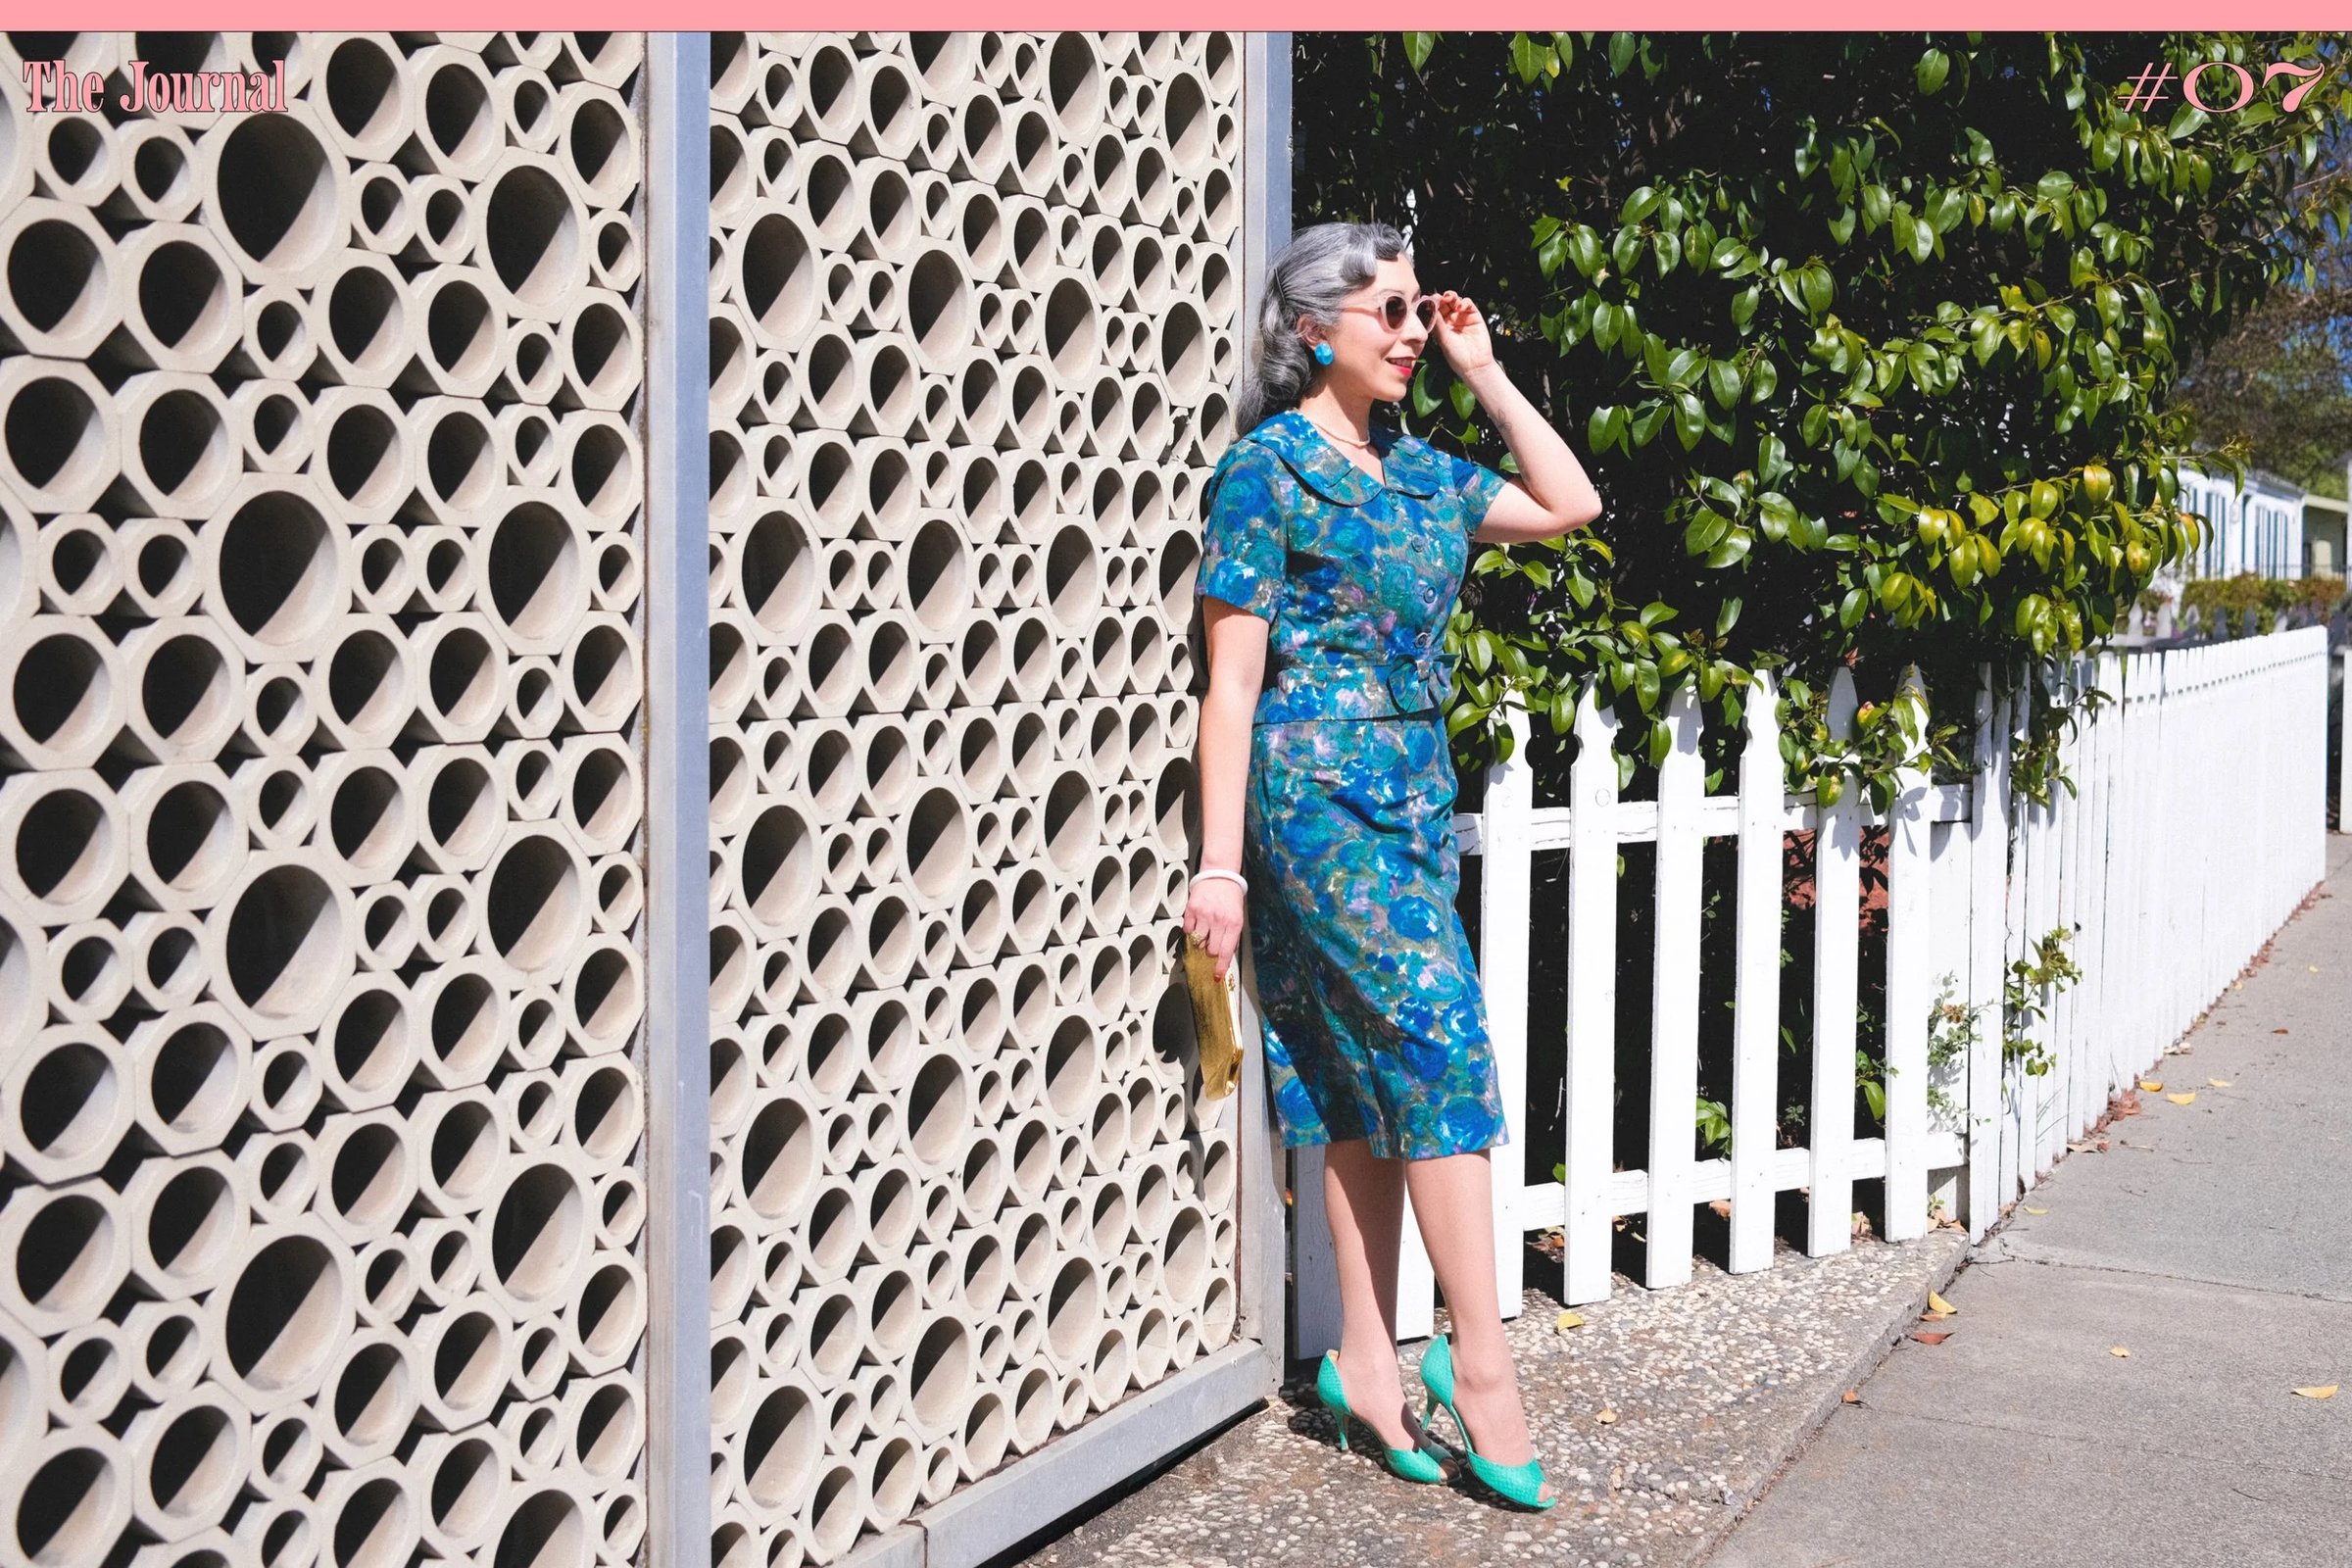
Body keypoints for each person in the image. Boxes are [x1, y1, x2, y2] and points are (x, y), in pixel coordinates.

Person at [1183, 220, 1600, 1509]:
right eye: (1392, 312)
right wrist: (1221, 865)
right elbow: (1232, 684)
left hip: (1414, 799)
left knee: (1354, 1078)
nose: (1414, 329)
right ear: (1315, 330)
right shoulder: (1265, 473)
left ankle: (1367, 1363)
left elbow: (1570, 503)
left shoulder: (1426, 479)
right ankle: (1482, 1371)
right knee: (1440, 1045)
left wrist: (1483, 372)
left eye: (1421, 310)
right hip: (1311, 805)